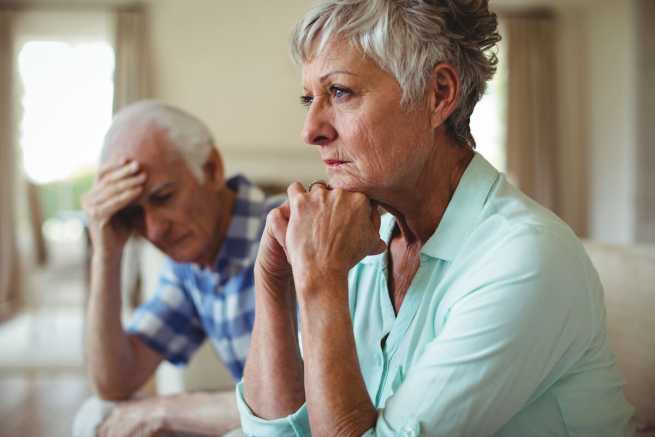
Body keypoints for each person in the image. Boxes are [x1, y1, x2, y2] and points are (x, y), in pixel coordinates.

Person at [237, 1, 635, 436]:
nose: (310, 129)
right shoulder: (361, 240)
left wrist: (318, 280)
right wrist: (272, 279)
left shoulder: (526, 257)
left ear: (438, 94)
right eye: (308, 98)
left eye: (340, 92)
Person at [76, 100, 281, 436]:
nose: (154, 230)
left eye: (163, 197)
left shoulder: (291, 232)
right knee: (97, 413)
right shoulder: (190, 263)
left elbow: (302, 404)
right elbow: (113, 383)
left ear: (212, 168)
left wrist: (162, 411)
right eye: (133, 215)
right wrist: (106, 255)